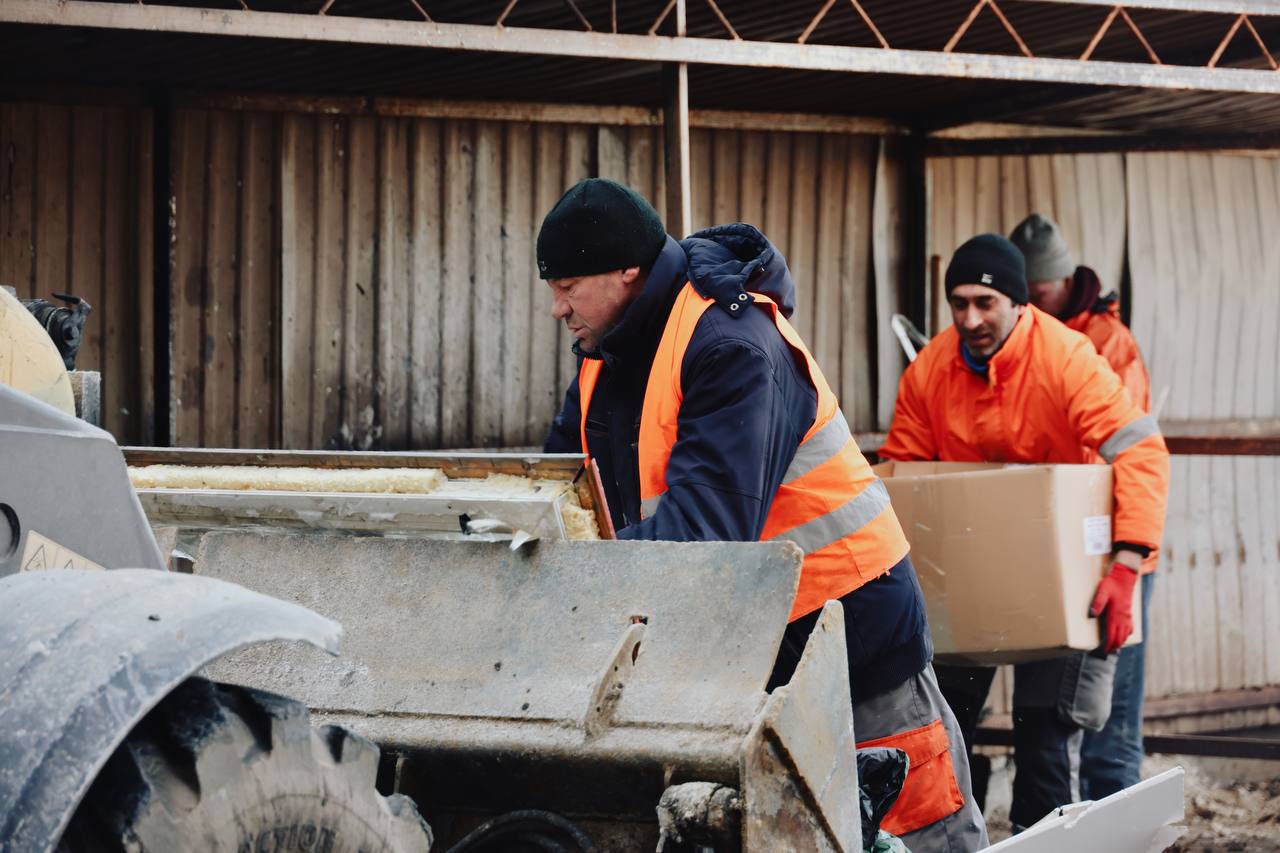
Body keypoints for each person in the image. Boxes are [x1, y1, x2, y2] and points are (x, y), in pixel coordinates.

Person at [539, 178, 987, 852]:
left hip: (853, 646)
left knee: (912, 836)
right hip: (745, 653)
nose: (556, 307)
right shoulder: (605, 357)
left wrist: (570, 570)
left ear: (627, 269)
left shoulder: (731, 342)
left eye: (568, 284)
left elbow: (708, 539)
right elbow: (560, 497)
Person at [880, 232, 1169, 832]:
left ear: (1019, 303)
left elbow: (1141, 450)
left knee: (1046, 733)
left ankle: (1048, 842)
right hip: (969, 578)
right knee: (941, 724)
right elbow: (899, 478)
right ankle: (959, 841)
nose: (971, 318)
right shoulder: (931, 371)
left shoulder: (1067, 358)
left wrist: (1126, 564)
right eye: (959, 304)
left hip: (1062, 577)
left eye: (986, 304)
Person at [1010, 213, 1156, 799]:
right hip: (1059, 544)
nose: (1030, 304)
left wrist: (1126, 557)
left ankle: (1118, 816)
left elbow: (1128, 449)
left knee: (1109, 711)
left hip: (1112, 543)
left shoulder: (1108, 345)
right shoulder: (1025, 339)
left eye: (1037, 292)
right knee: (1055, 709)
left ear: (1063, 281)